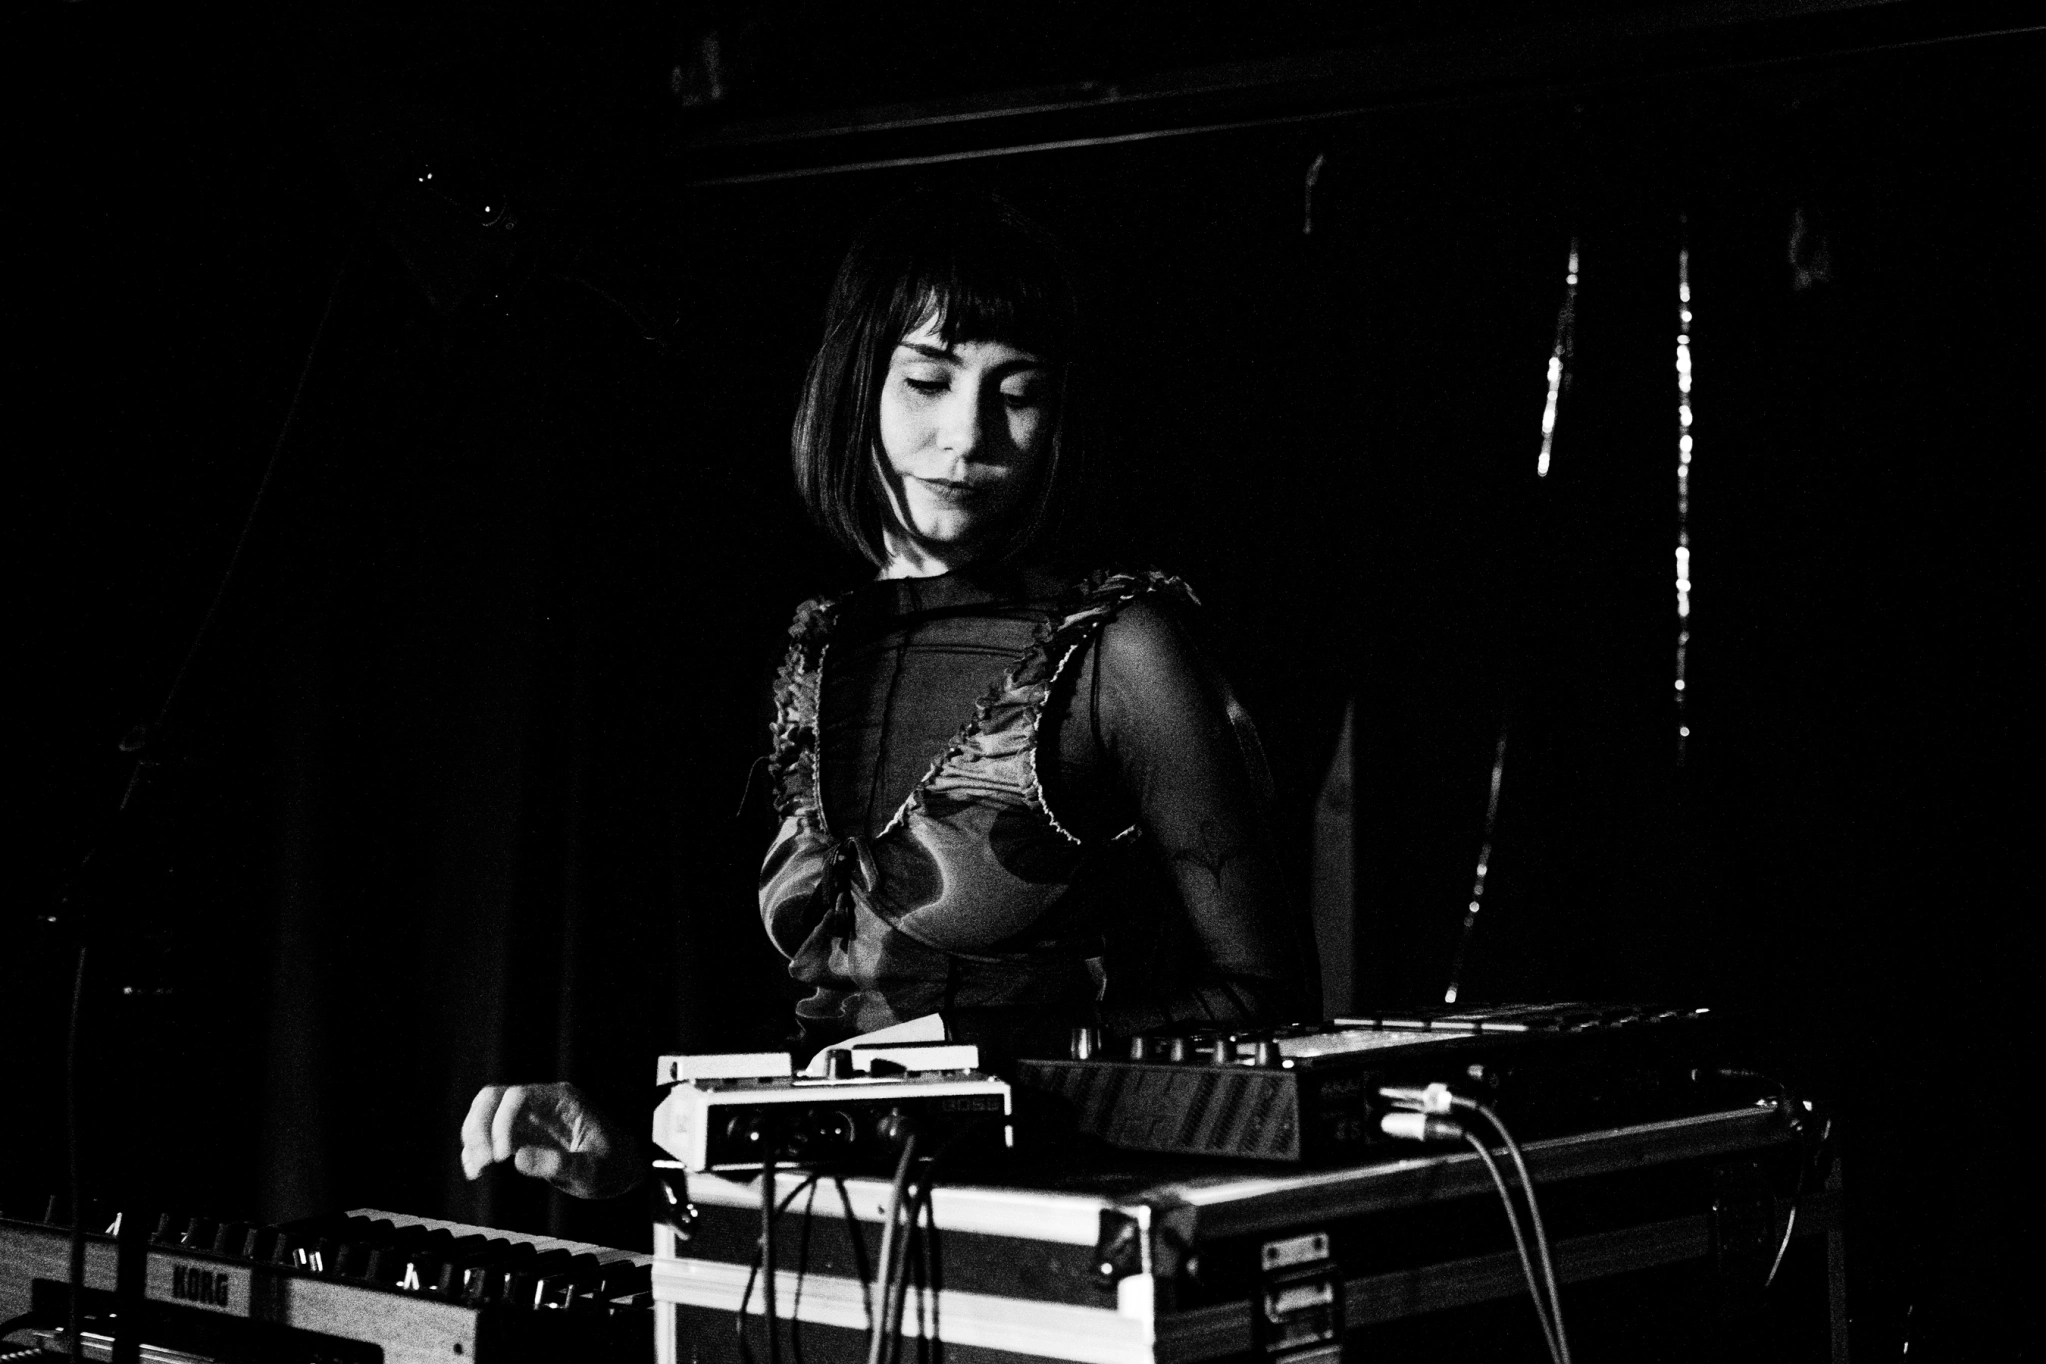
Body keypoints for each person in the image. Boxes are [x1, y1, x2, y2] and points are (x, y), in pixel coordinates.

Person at [462, 189, 1314, 1199]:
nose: (967, 434)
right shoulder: (818, 647)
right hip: (829, 1245)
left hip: (1049, 1234)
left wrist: (980, 1049)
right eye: (927, 380)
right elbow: (833, 1057)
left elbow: (1270, 1000)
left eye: (1018, 392)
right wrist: (637, 1158)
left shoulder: (1121, 652)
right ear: (858, 379)